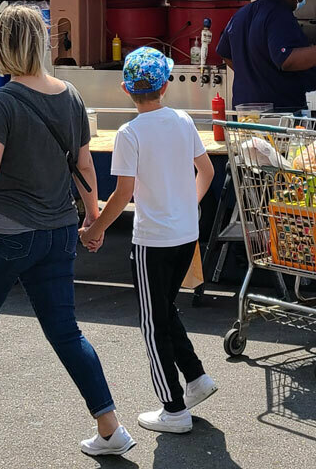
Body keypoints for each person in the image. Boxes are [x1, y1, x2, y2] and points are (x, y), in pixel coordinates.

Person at [0, 4, 134, 458]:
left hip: (3, 235)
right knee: (66, 332)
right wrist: (92, 218)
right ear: (40, 44)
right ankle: (110, 427)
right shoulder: (70, 95)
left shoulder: (1, 102)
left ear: (1, 46)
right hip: (58, 231)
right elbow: (84, 165)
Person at [79, 47, 217, 434]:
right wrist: (186, 204)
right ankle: (195, 377)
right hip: (185, 234)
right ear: (166, 85)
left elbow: (123, 193)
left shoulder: (130, 133)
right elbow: (206, 171)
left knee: (153, 323)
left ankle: (173, 408)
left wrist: (94, 230)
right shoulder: (183, 120)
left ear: (126, 89)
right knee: (164, 310)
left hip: (152, 240)